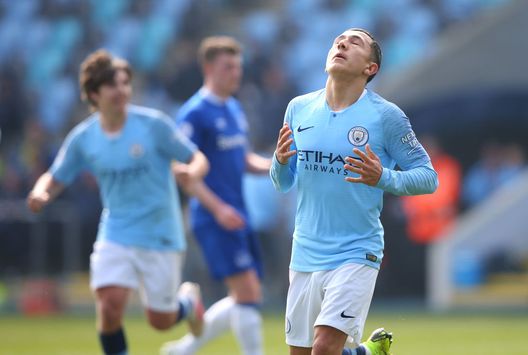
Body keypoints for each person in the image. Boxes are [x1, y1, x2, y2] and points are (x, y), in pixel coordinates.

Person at [26, 49, 209, 355]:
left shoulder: (153, 125)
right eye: (113, 85)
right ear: (94, 93)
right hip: (116, 231)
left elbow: (197, 157)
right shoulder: (84, 138)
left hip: (160, 233)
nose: (122, 90)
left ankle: (188, 304)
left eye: (125, 83)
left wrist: (193, 172)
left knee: (160, 320)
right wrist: (41, 192)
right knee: (110, 306)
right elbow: (55, 176)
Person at [271, 28, 438, 355]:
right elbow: (283, 182)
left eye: (355, 42)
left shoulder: (386, 116)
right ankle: (364, 352)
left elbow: (428, 177)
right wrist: (278, 162)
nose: (342, 43)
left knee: (323, 348)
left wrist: (382, 177)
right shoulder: (298, 108)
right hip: (305, 251)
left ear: (370, 68)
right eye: (337, 40)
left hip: (356, 250)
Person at [161, 36, 271, 355]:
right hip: (214, 215)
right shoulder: (194, 113)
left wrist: (277, 165)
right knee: (248, 292)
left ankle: (182, 351)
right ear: (209, 68)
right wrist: (219, 209)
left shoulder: (235, 108)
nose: (236, 73)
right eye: (228, 67)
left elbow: (244, 158)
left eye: (238, 67)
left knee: (245, 295)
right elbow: (182, 171)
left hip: (238, 211)